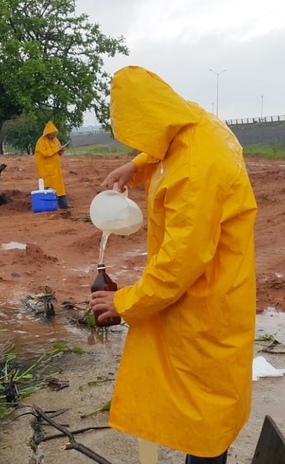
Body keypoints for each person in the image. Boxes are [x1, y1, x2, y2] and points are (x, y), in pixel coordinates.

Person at [90, 66, 257, 463]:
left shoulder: (199, 169)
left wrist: (124, 303)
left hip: (206, 299)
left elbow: (179, 263)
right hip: (206, 288)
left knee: (205, 409)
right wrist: (138, 165)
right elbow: (166, 144)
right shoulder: (196, 123)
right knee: (195, 402)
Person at [34, 121, 68, 208]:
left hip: (56, 169)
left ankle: (63, 205)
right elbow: (45, 153)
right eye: (52, 134)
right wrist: (57, 149)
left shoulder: (55, 140)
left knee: (59, 188)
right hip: (46, 170)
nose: (54, 136)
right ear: (47, 133)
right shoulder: (41, 142)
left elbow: (58, 152)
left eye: (55, 134)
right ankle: (48, 205)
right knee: (47, 187)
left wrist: (61, 149)